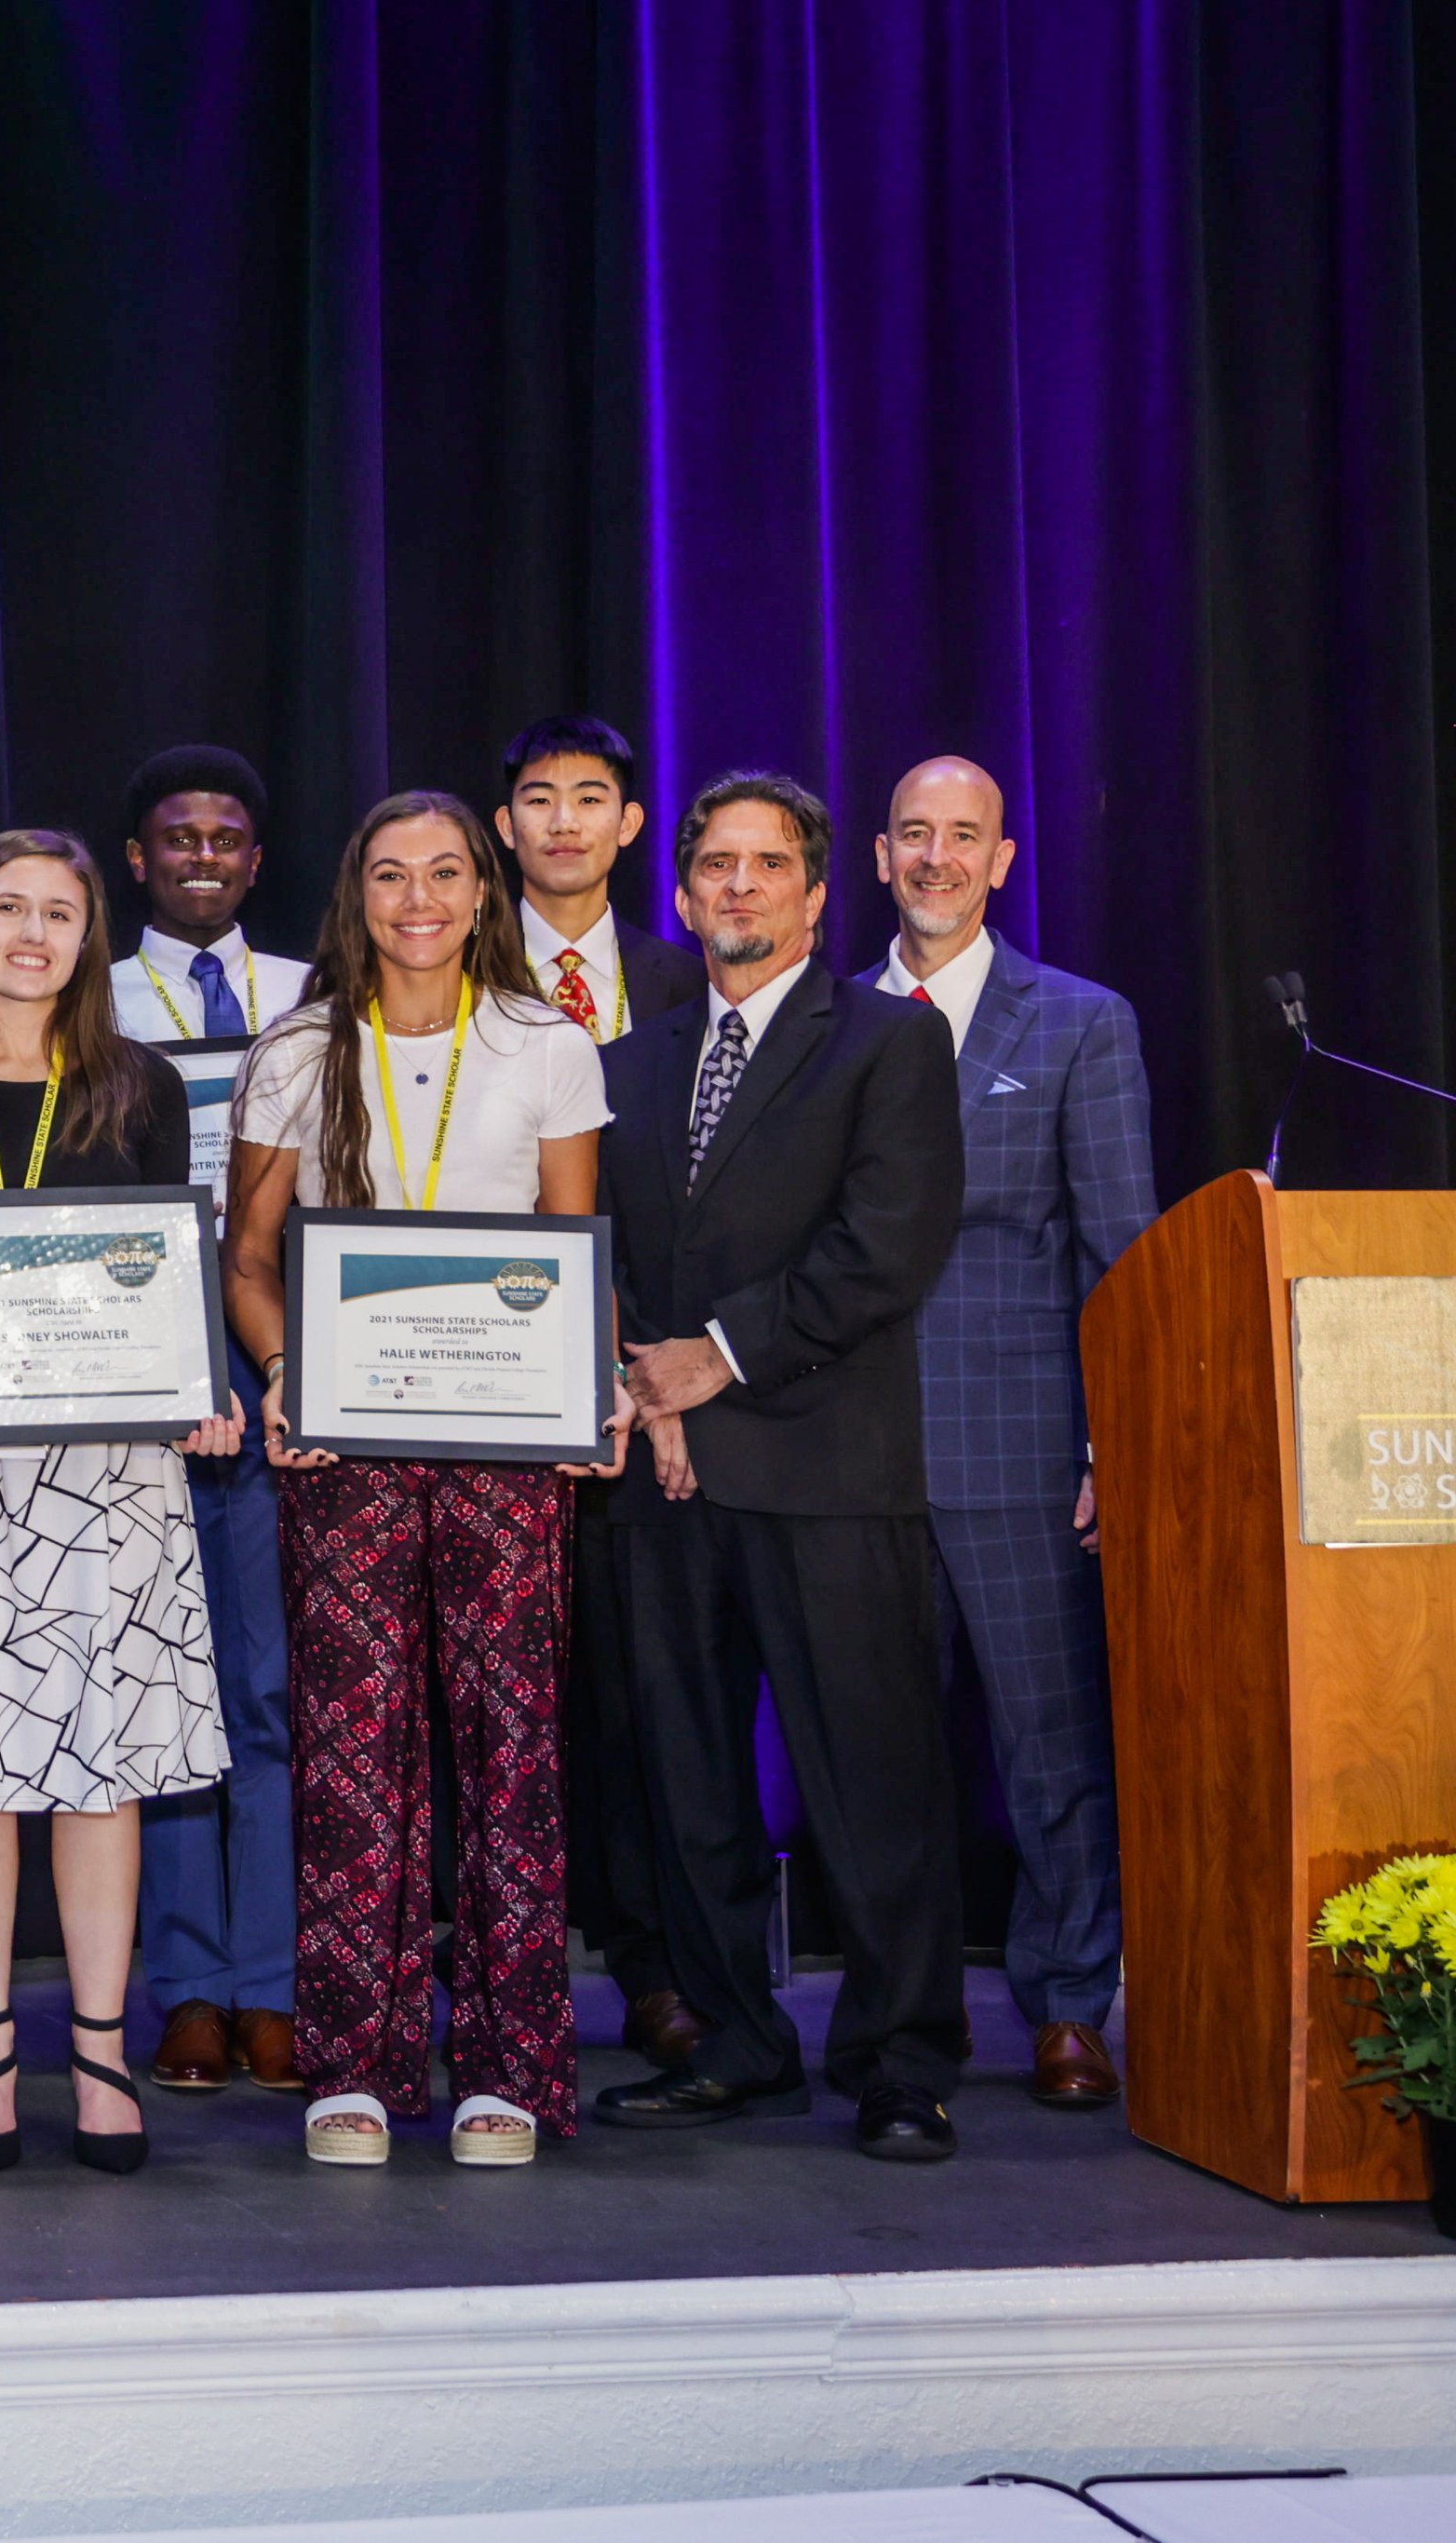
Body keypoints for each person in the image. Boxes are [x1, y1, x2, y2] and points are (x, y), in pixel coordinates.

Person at [223, 794, 630, 2169]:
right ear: (358, 893)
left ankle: (510, 2063)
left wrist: (594, 1389)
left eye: (444, 873)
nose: (418, 898)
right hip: (343, 1450)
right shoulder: (296, 1050)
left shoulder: (545, 1044)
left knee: (511, 1748)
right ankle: (355, 2059)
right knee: (350, 1752)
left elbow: (574, 1246)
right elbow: (247, 1258)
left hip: (508, 1449)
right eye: (390, 873)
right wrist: (287, 1370)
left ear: (482, 890)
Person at [0, 830, 240, 2175]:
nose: (32, 933)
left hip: (111, 1474)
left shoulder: (142, 1087)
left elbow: (170, 1273)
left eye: (59, 912)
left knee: (104, 1776)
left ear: (89, 933)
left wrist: (199, 1384)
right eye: (7, 909)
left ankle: (99, 2050)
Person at [597, 773, 967, 2161]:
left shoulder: (888, 1042)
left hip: (827, 1468)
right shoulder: (631, 1061)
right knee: (689, 1785)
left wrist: (721, 1359)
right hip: (667, 1476)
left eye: (767, 865)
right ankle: (736, 2041)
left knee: (871, 1783)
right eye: (714, 864)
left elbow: (887, 1245)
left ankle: (901, 2059)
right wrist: (654, 1377)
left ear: (819, 892)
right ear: (683, 890)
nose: (738, 885)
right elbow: (613, 1258)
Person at [867, 755, 1153, 2110]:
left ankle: (1068, 2004)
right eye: (914, 833)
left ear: (1004, 857)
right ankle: (901, 2019)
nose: (936, 855)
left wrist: (1117, 1439)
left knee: (1050, 1749)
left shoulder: (1080, 1024)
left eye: (961, 835)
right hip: (850, 1452)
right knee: (875, 1759)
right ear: (877, 857)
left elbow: (1120, 1253)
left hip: (1022, 1442)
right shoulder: (822, 1018)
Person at [493, 714, 711, 2074]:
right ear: (502, 822)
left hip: (658, 1388)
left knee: (645, 1696)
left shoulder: (693, 976)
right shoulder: (436, 963)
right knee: (494, 1700)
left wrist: (657, 1366)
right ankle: (489, 1962)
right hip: (483, 1379)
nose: (565, 821)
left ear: (634, 824)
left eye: (592, 799)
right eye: (537, 798)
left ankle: (654, 1964)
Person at [107, 745, 310, 2100]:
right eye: (176, 836)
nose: (201, 856)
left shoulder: (313, 997)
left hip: (277, 1353)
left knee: (272, 1683)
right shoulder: (81, 993)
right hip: (118, 1358)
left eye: (227, 838)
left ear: (254, 857)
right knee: (158, 1689)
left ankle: (276, 1980)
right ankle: (182, 1985)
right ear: (137, 857)